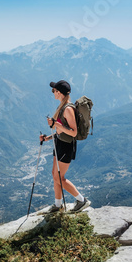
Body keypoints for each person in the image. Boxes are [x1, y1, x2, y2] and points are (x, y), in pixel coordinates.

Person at [40, 80, 90, 213]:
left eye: (54, 91)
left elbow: (73, 132)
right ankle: (58, 205)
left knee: (59, 178)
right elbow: (60, 131)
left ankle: (81, 200)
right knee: (54, 175)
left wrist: (56, 124)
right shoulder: (62, 107)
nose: (53, 93)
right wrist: (47, 138)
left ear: (60, 92)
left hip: (66, 146)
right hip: (59, 143)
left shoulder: (68, 109)